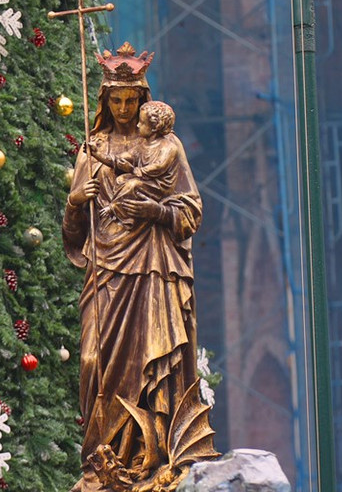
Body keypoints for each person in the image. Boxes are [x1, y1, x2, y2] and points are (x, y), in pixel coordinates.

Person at [63, 43, 217, 492]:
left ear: (145, 100)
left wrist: (154, 212)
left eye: (132, 100)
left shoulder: (166, 146)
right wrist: (76, 201)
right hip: (107, 272)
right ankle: (101, 468)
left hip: (152, 266)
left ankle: (152, 463)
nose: (126, 109)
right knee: (94, 362)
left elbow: (191, 211)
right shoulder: (92, 152)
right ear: (106, 101)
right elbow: (73, 235)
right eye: (117, 100)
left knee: (154, 368)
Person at [88, 100, 179, 229]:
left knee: (132, 184)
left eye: (141, 123)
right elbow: (119, 160)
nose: (137, 125)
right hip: (144, 181)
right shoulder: (142, 145)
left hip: (159, 186)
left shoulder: (169, 147)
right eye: (116, 100)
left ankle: (115, 208)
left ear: (154, 127)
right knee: (121, 179)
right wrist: (97, 154)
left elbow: (159, 167)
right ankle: (124, 216)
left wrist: (134, 170)